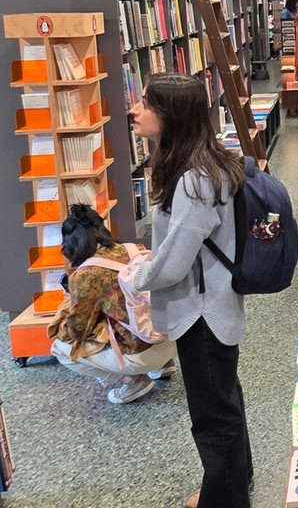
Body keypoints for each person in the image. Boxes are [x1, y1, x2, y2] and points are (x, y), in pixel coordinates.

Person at [129, 74, 252, 508]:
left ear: (172, 115)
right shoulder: (203, 166)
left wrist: (133, 276)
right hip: (212, 305)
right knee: (224, 398)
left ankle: (225, 499)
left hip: (202, 312)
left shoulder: (193, 181)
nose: (135, 110)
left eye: (146, 103)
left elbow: (175, 263)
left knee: (212, 416)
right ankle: (234, 482)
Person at [47, 204, 178, 404]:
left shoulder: (86, 275)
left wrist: (67, 307)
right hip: (173, 340)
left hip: (142, 354)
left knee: (60, 349)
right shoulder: (134, 250)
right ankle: (164, 365)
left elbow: (77, 330)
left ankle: (133, 380)